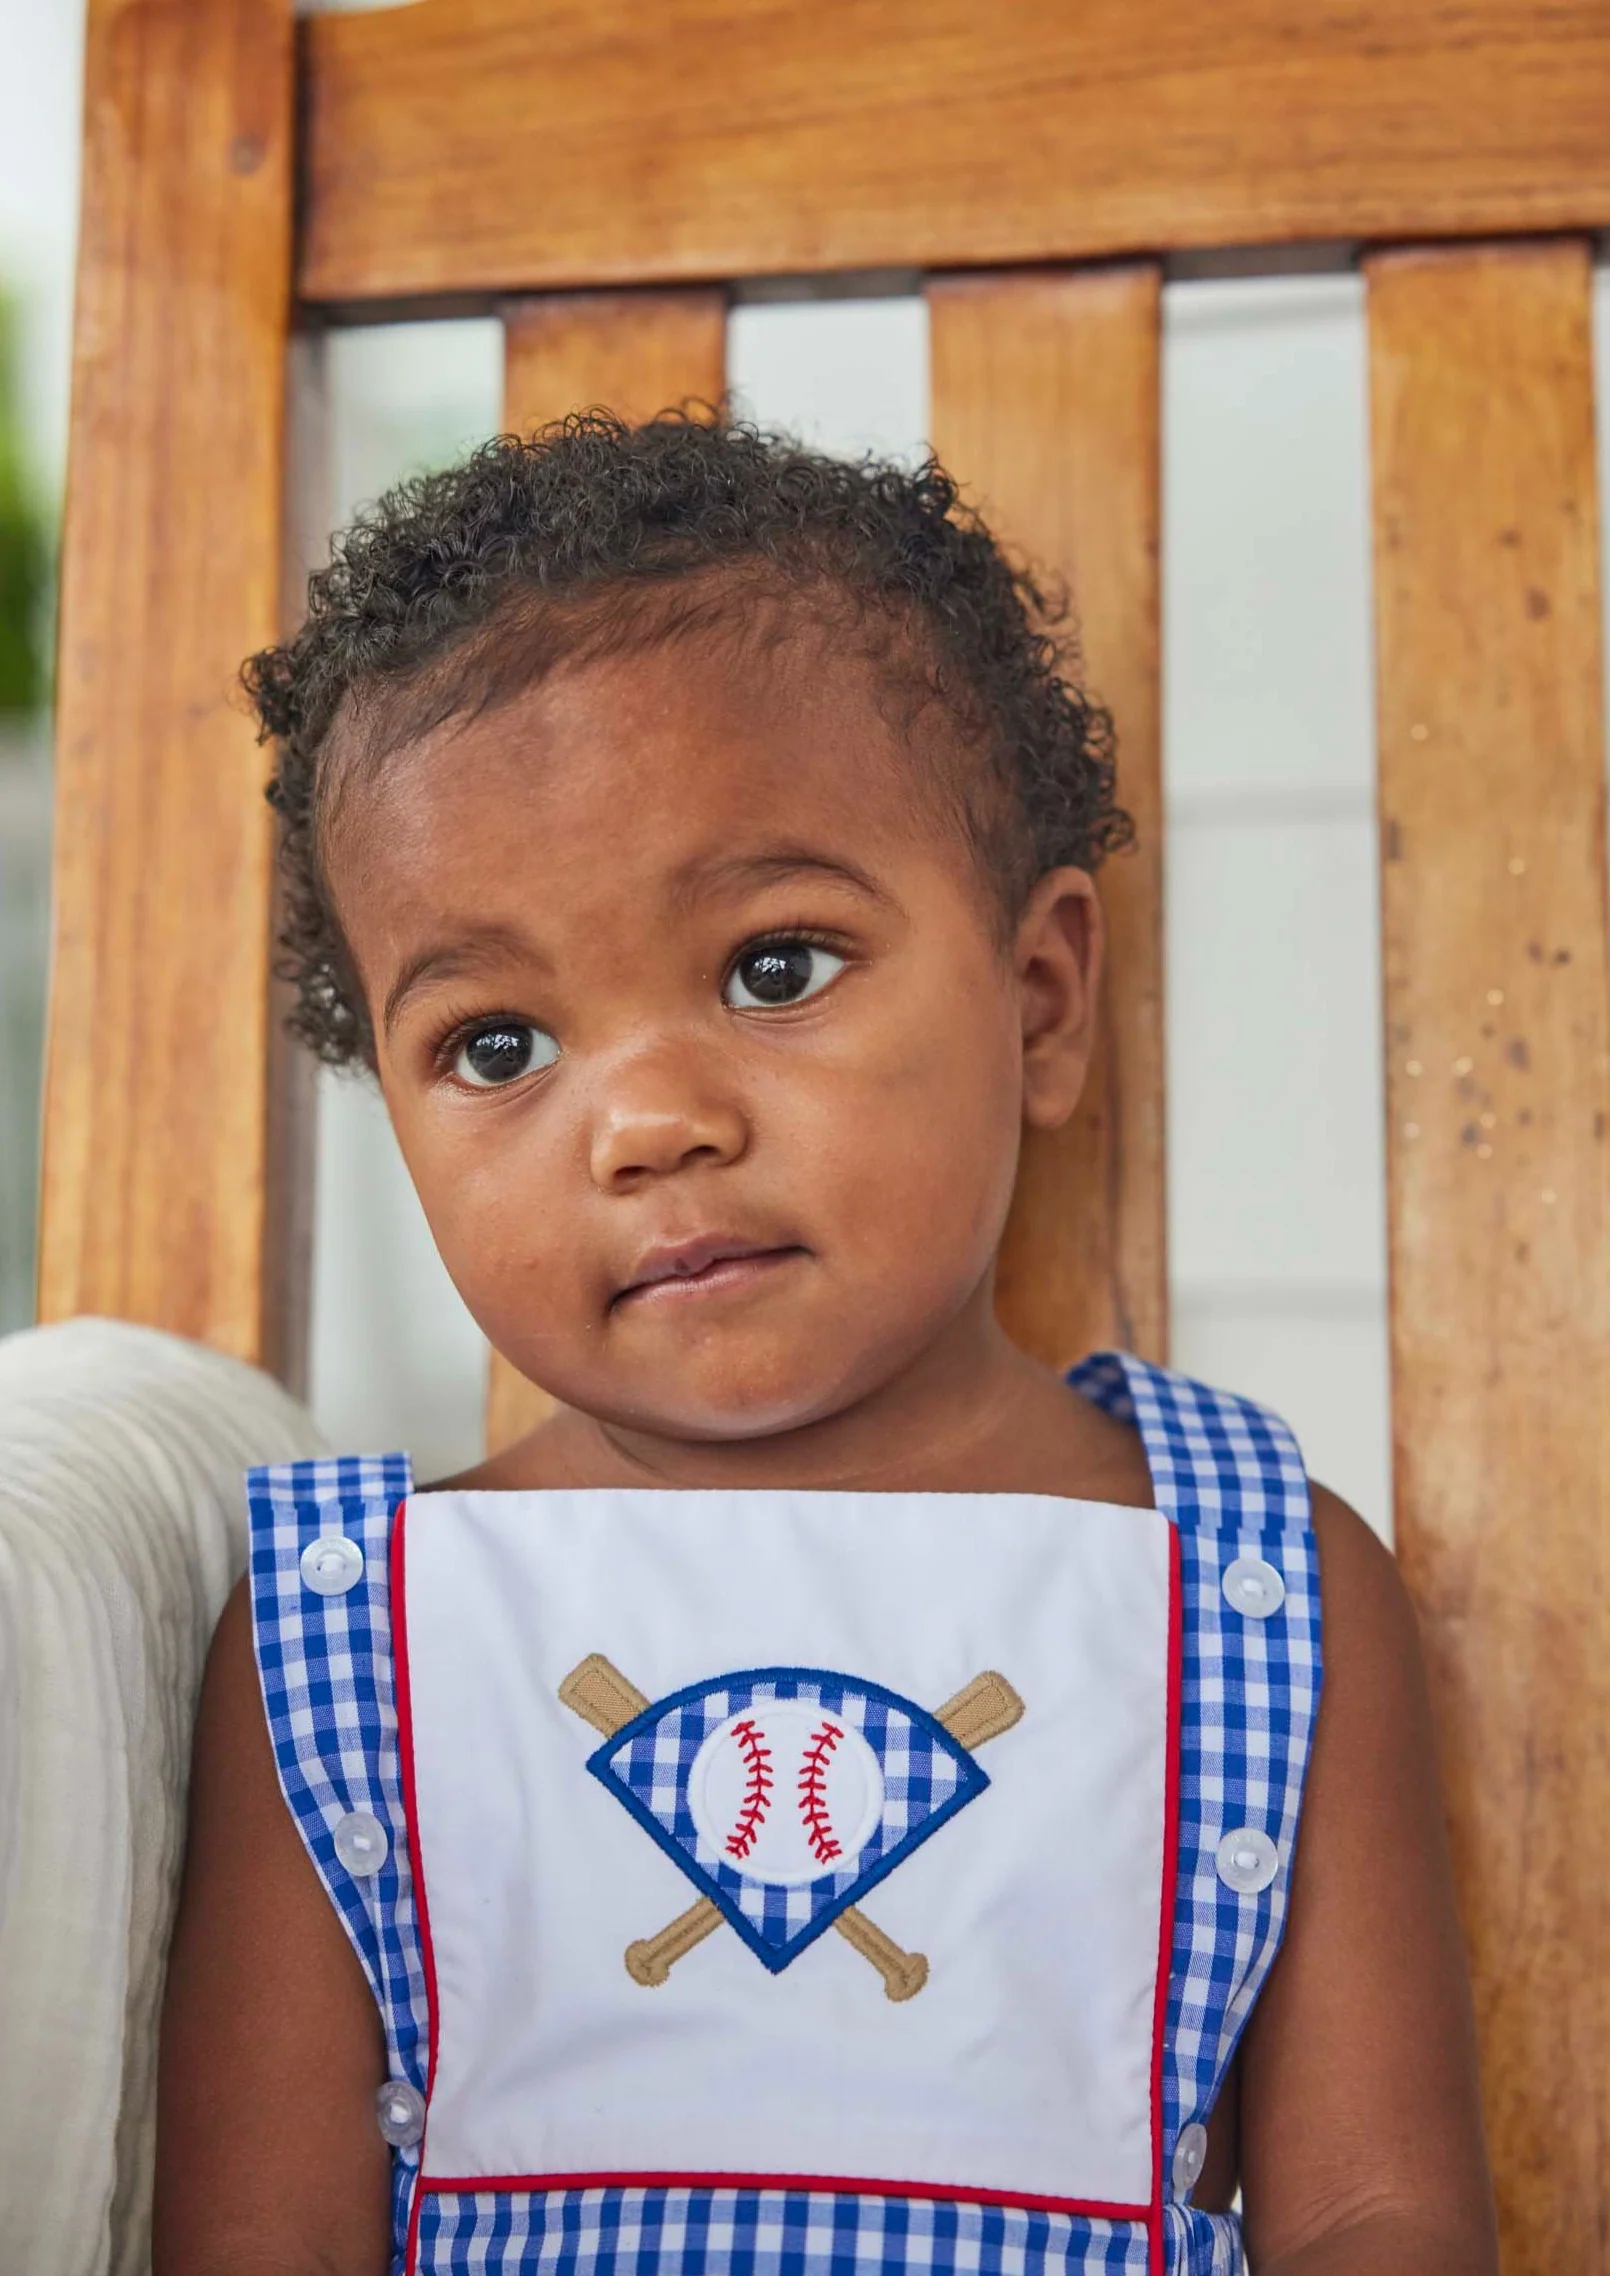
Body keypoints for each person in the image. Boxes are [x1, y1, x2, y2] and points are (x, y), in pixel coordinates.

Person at [153, 415, 1496, 2276]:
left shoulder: (1251, 1587)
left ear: (1039, 1002)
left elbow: (1374, 2214)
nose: (644, 1124)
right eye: (495, 1046)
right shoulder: (354, 1632)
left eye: (773, 967)